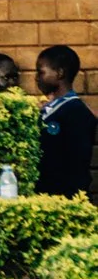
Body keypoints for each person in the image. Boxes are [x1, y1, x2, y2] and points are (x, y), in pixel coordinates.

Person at [36, 47, 97, 199]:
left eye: (41, 72)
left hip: (63, 200)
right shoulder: (50, 108)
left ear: (60, 73)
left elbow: (77, 165)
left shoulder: (76, 111)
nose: (36, 78)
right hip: (44, 197)